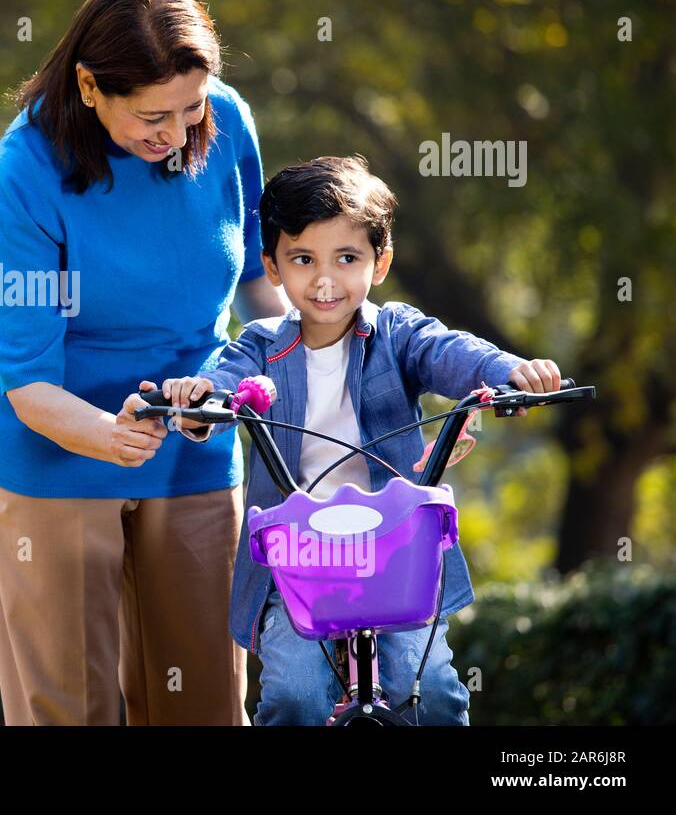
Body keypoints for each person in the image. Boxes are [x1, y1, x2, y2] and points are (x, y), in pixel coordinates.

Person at [0, 0, 287, 725]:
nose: (176, 134)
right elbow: (27, 377)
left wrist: (328, 352)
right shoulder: (26, 168)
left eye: (191, 106)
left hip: (196, 427)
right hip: (53, 441)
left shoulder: (229, 122)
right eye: (152, 116)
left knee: (205, 702)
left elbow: (259, 280)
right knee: (70, 709)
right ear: (88, 87)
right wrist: (108, 436)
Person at [152, 154, 562, 724]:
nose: (325, 279)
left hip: (394, 550)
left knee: (432, 691)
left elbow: (452, 353)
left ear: (379, 261)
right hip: (299, 557)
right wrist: (198, 404)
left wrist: (508, 372)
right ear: (271, 266)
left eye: (347, 258)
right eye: (303, 259)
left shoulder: (398, 333)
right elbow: (220, 389)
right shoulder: (259, 345)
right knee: (295, 693)